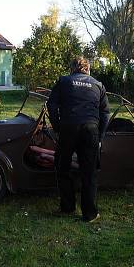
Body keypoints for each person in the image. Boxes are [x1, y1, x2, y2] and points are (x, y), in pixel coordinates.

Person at [47, 56, 109, 222]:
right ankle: (90, 214)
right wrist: (100, 135)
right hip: (91, 130)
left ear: (72, 68)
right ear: (87, 69)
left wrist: (57, 127)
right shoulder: (99, 85)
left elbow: (51, 105)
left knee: (62, 167)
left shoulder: (64, 81)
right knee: (89, 173)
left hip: (68, 128)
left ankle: (67, 207)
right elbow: (105, 113)